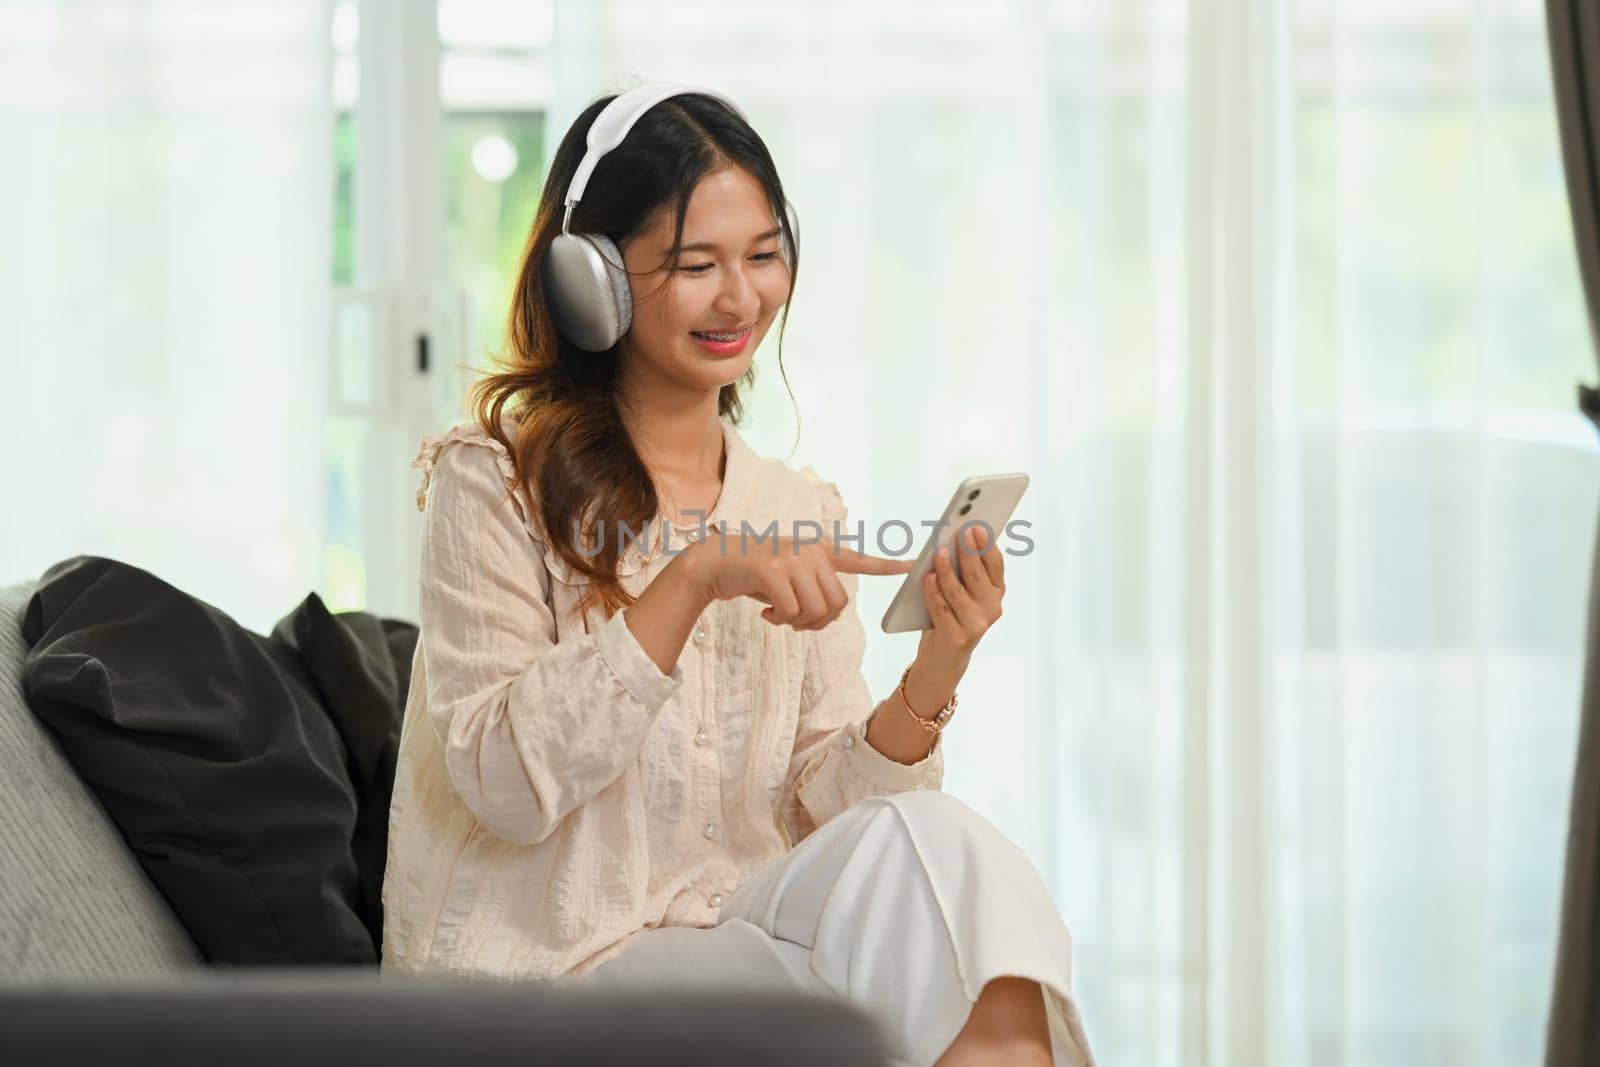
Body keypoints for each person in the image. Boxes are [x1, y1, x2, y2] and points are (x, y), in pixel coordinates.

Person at [380, 81, 1095, 1067]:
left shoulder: (795, 503)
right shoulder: (494, 478)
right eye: (694, 264)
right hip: (555, 973)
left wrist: (937, 667)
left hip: (739, 941)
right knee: (912, 978)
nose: (740, 297)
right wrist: (693, 576)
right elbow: (502, 782)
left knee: (943, 846)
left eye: (762, 256)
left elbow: (825, 818)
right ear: (594, 279)